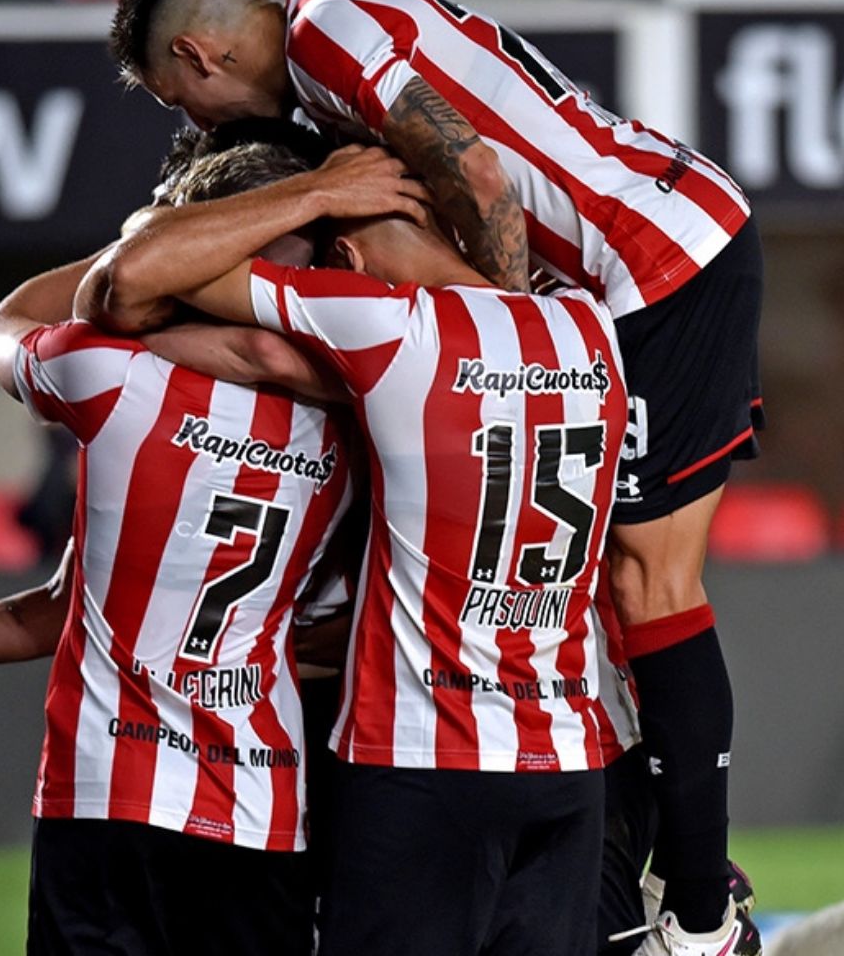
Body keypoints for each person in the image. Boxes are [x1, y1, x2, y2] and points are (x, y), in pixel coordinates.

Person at [107, 0, 760, 953]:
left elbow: (483, 176)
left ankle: (704, 913)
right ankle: (664, 860)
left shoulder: (328, 41)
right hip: (653, 244)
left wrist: (500, 348)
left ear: (198, 54)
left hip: (651, 264)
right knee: (585, 592)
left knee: (646, 585)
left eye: (177, 101)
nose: (195, 125)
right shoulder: (347, 11)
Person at [81, 137, 632, 956]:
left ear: (346, 254)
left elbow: (132, 280)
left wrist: (305, 192)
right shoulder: (588, 328)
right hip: (566, 761)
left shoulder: (395, 330)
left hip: (421, 758)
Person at [0, 136, 439, 956]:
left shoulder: (106, 378)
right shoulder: (365, 423)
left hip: (108, 793)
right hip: (261, 802)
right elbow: (65, 611)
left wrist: (151, 251)